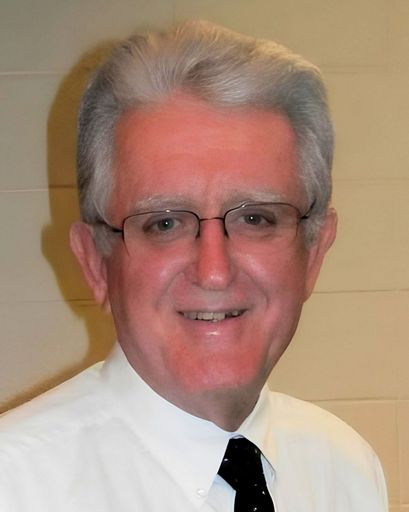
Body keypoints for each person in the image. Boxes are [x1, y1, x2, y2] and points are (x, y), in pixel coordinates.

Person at [0, 20, 387, 511]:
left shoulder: (348, 470)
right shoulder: (16, 487)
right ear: (95, 262)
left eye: (255, 218)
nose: (214, 271)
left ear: (313, 252)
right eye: (164, 223)